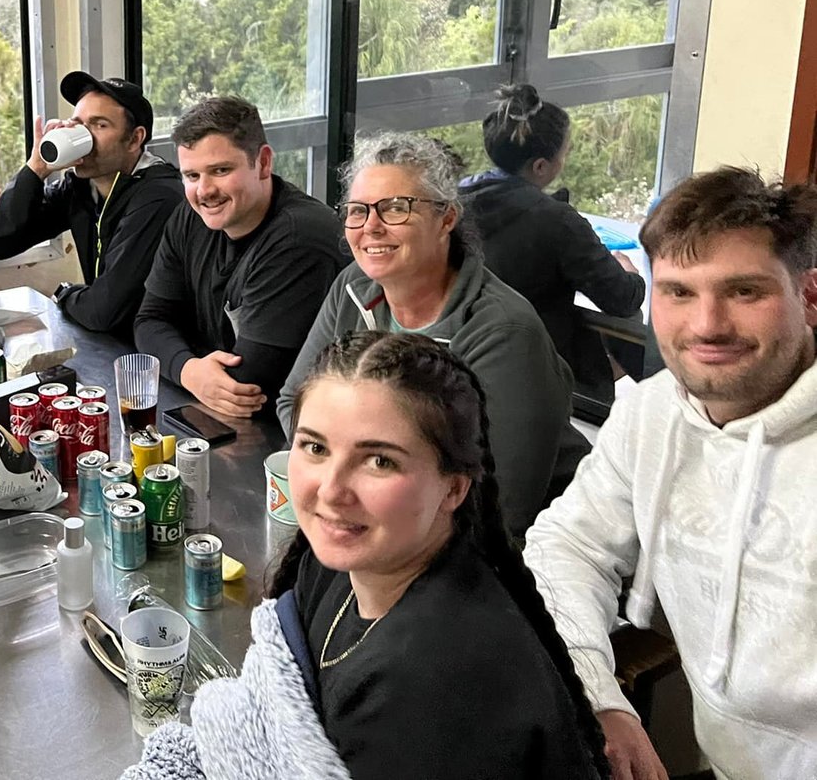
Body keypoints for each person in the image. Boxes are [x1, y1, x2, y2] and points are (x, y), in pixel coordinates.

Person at [124, 332, 607, 780]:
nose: (332, 490)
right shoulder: (336, 561)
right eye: (315, 447)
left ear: (453, 489)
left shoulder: (431, 687)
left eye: (380, 461)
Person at [525, 167, 817, 780]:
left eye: (744, 292)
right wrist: (599, 696)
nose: (707, 324)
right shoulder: (654, 412)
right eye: (679, 292)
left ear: (809, 296)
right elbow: (568, 544)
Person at [277, 132, 582, 540]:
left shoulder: (503, 332)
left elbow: (502, 506)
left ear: (447, 218)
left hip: (514, 557)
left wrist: (362, 485)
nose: (371, 227)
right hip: (386, 523)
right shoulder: (354, 286)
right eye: (357, 210)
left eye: (396, 209)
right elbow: (293, 403)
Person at [134, 96, 346, 420]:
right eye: (191, 176)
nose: (204, 191)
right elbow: (148, 321)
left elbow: (246, 387)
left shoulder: (298, 239)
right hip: (225, 414)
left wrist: (177, 357)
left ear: (262, 163)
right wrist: (189, 369)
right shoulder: (191, 216)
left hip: (294, 429)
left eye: (220, 170)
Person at [459, 84, 645, 402]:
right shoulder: (556, 221)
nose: (565, 159)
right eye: (564, 153)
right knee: (632, 326)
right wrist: (631, 274)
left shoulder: (453, 203)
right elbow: (622, 298)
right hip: (537, 370)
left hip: (466, 355)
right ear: (541, 166)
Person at [0, 71, 182, 337]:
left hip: (157, 355)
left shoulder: (159, 196)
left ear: (134, 139)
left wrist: (64, 293)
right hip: (111, 343)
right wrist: (34, 171)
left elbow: (104, 311)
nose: (84, 134)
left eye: (99, 125)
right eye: (78, 123)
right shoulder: (79, 188)